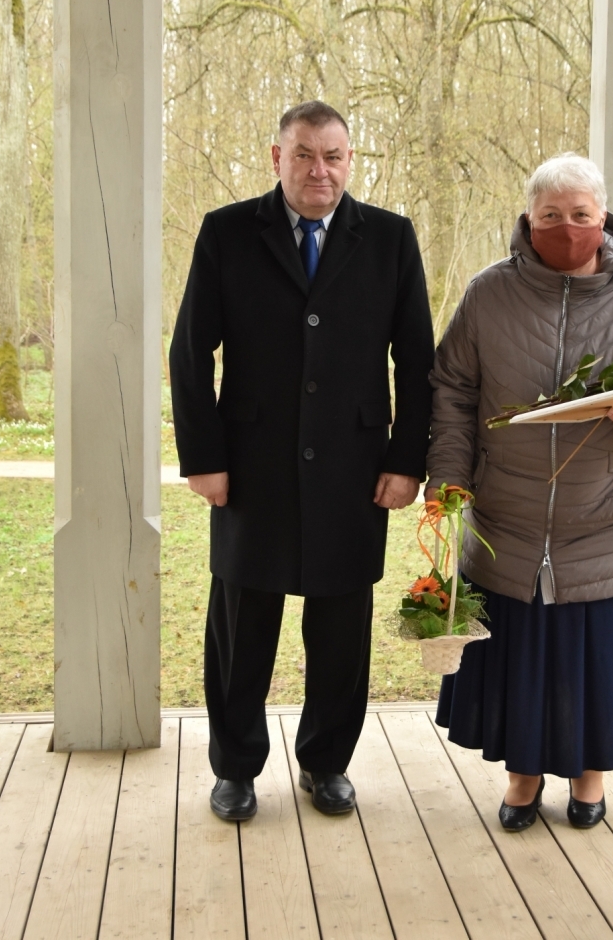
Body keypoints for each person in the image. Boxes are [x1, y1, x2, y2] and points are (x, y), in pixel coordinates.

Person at [170, 101, 434, 821]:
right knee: (241, 626)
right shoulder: (226, 233)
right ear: (276, 157)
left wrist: (407, 458)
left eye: (334, 156)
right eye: (305, 154)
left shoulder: (389, 238)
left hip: (356, 470)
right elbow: (190, 353)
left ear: (351, 160)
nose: (321, 169)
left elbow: (416, 360)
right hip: (250, 470)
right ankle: (236, 768)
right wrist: (204, 457)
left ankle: (326, 763)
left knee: (341, 631)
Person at [427, 152, 613, 831]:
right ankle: (521, 779)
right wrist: (449, 480)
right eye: (552, 216)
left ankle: (589, 778)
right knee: (520, 659)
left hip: (607, 517)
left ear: (603, 217)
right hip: (508, 517)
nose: (567, 227)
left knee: (593, 661)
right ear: (529, 218)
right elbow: (452, 389)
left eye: (581, 215)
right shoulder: (488, 294)